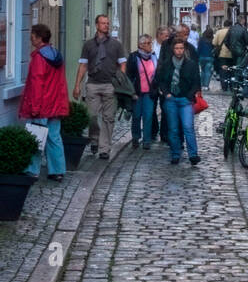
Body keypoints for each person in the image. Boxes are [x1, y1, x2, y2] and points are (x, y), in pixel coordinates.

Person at [72, 14, 127, 159]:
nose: (106, 26)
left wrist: (120, 80)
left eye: (107, 23)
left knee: (108, 118)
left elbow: (123, 64)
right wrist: (77, 85)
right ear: (97, 25)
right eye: (103, 23)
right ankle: (94, 139)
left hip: (110, 85)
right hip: (93, 84)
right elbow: (83, 65)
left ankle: (104, 148)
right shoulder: (89, 45)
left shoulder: (116, 44)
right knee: (92, 116)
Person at [19, 23, 69, 180]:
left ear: (39, 38)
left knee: (36, 137)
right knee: (54, 137)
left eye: (32, 36)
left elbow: (36, 83)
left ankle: (31, 170)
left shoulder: (39, 57)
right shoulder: (56, 54)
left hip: (41, 105)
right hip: (55, 103)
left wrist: (34, 106)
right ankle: (57, 170)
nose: (31, 39)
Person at [155, 38, 201, 166]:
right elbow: (161, 80)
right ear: (173, 50)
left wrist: (189, 96)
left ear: (184, 49)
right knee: (173, 129)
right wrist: (166, 93)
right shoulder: (166, 64)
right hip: (171, 100)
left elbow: (196, 82)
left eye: (181, 48)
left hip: (185, 100)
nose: (179, 51)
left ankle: (193, 154)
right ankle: (175, 154)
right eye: (176, 48)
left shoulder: (191, 64)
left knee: (188, 127)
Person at [126, 35, 157, 150]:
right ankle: (135, 137)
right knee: (136, 116)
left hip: (150, 92)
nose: (150, 45)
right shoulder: (134, 57)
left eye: (150, 43)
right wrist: (131, 92)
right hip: (137, 92)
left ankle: (146, 140)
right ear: (141, 45)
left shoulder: (154, 57)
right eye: (148, 43)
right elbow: (129, 76)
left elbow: (156, 74)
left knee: (148, 116)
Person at [213, 19, 233, 88]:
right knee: (231, 70)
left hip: (222, 54)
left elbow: (214, 43)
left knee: (223, 70)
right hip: (232, 54)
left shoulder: (219, 32)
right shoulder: (232, 31)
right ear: (230, 25)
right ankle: (231, 85)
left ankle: (224, 86)